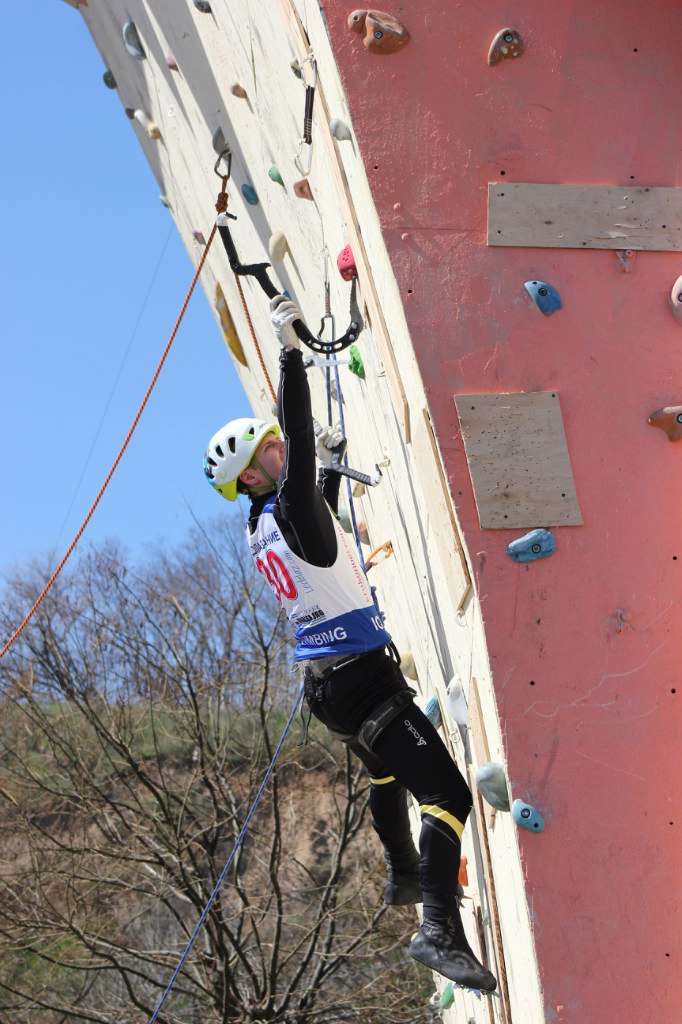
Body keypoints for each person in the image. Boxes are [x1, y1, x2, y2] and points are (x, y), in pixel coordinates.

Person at [203, 295, 497, 993]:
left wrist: (329, 466)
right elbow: (302, 464)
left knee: (386, 773)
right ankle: (437, 928)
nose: (283, 451)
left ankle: (400, 868)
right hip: (358, 679)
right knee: (447, 793)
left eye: (278, 444)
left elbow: (321, 541)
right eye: (267, 451)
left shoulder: (264, 525)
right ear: (251, 476)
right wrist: (289, 352)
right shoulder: (287, 503)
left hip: (331, 684)